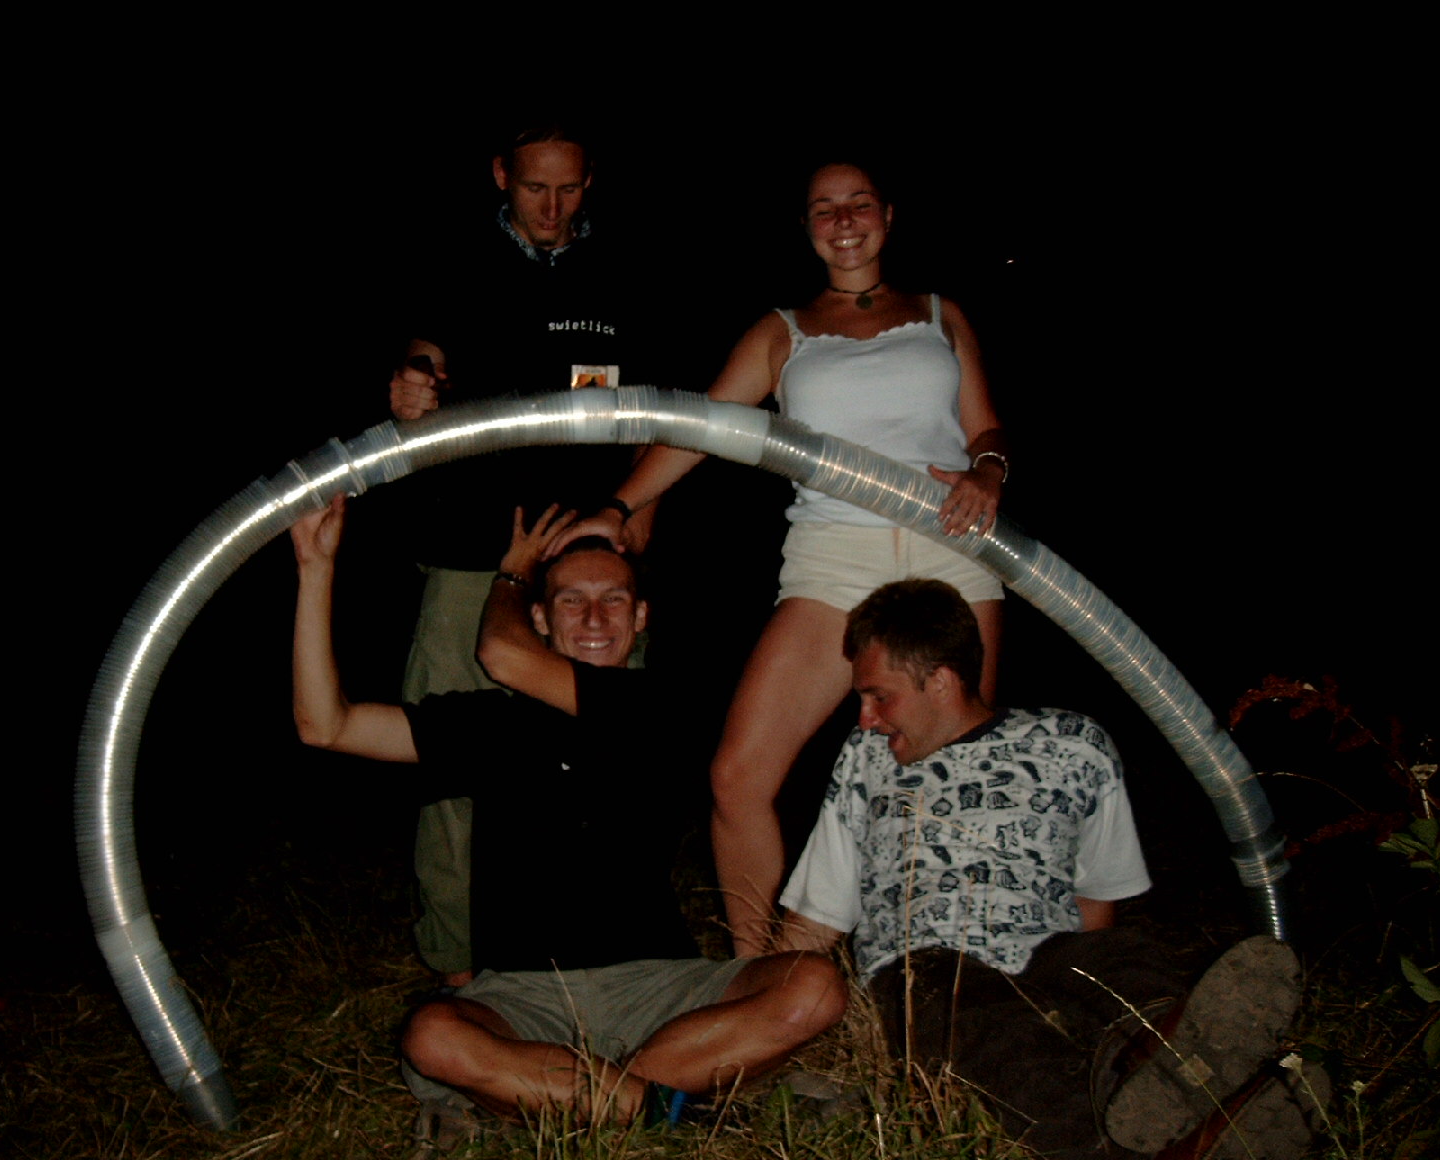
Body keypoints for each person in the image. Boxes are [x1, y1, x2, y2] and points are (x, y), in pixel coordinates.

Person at [551, 161, 1008, 953]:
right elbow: (702, 426)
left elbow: (986, 429)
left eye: (858, 204)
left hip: (951, 547)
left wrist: (990, 471)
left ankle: (943, 977)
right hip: (832, 558)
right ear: (806, 227)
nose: (844, 220)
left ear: (888, 215)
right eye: (824, 209)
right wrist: (619, 506)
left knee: (954, 774)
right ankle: (758, 973)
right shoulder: (781, 332)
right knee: (737, 776)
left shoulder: (942, 315)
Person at [290, 494, 845, 1133]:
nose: (594, 618)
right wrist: (315, 568)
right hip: (524, 996)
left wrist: (510, 575)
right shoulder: (491, 725)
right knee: (434, 1034)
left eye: (614, 600)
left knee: (815, 986)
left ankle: (573, 1094)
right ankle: (664, 1107)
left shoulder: (668, 708)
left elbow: (501, 653)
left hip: (662, 988)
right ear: (542, 619)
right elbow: (325, 726)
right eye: (571, 600)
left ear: (641, 616)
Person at [776, 580, 1315, 1159]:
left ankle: (1181, 1060)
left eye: (879, 697)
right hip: (925, 972)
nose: (866, 719)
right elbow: (818, 913)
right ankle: (1147, 1141)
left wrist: (1089, 988)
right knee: (985, 1028)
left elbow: (1097, 901)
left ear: (941, 680)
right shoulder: (866, 759)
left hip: (1048, 952)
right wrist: (765, 1006)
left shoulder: (1073, 744)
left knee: (1121, 960)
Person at [388, 124, 665, 985]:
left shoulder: (624, 271)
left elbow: (657, 412)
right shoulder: (453, 261)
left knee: (610, 764)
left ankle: (612, 958)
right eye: (535, 188)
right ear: (501, 174)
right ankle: (459, 969)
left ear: (591, 181)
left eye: (570, 189)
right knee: (453, 767)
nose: (553, 208)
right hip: (474, 550)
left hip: (588, 555)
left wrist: (638, 516)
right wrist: (413, 384)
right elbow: (426, 355)